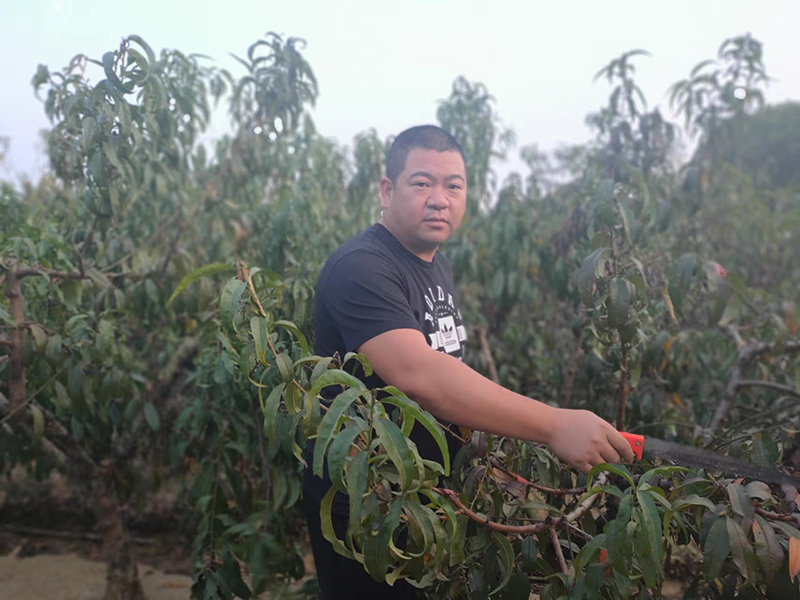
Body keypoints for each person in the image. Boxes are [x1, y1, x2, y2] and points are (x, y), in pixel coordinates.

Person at [303, 125, 635, 599]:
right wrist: (553, 425)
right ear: (386, 189)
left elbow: (448, 368)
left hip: (429, 498)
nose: (439, 199)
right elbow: (420, 375)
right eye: (422, 183)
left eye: (453, 186)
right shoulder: (361, 266)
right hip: (367, 502)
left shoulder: (434, 261)